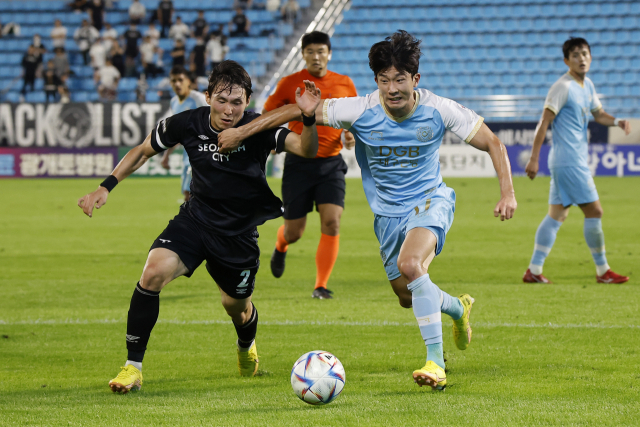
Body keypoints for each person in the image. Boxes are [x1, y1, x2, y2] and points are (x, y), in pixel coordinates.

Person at [218, 31, 517, 390]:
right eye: (384, 79)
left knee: (411, 266)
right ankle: (456, 307)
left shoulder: (440, 109)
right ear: (376, 81)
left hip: (430, 200)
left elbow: (493, 142)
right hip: (388, 215)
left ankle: (435, 364)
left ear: (415, 79)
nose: (392, 88)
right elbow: (294, 110)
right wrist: (243, 132)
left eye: (400, 79)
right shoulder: (359, 109)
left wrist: (507, 193)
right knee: (407, 295)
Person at [77, 60, 322, 393]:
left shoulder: (258, 127)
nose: (229, 109)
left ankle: (245, 344)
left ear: (247, 102)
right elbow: (143, 150)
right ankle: (132, 368)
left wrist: (307, 118)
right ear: (207, 96)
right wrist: (106, 186)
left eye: (237, 102)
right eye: (221, 100)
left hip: (238, 235)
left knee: (235, 306)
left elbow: (306, 149)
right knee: (152, 273)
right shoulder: (188, 123)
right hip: (195, 220)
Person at [523, 37, 631, 285]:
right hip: (569, 160)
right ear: (566, 61)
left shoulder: (587, 86)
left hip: (568, 161)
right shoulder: (563, 87)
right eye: (575, 55)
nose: (581, 58)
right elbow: (544, 123)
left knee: (556, 215)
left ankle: (534, 270)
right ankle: (603, 271)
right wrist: (533, 158)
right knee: (595, 210)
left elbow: (599, 114)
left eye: (584, 53)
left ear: (590, 57)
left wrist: (617, 121)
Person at [263, 31, 357, 299]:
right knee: (295, 232)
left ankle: (320, 285)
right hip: (298, 164)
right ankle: (281, 245)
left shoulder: (345, 84)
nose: (316, 57)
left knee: (332, 222)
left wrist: (349, 135)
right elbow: (267, 113)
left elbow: (353, 119)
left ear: (329, 53)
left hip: (331, 164)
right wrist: (269, 140)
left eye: (321, 51)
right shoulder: (289, 83)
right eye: (310, 52)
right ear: (303, 54)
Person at [159, 65, 209, 201]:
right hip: (188, 155)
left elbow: (217, 120)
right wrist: (166, 155)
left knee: (192, 195)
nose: (177, 84)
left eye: (180, 80)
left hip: (203, 153)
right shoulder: (174, 102)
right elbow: (177, 133)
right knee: (188, 195)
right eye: (174, 81)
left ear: (188, 81)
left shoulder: (199, 99)